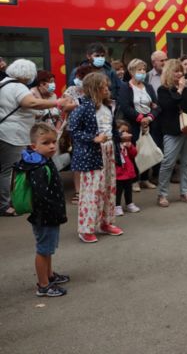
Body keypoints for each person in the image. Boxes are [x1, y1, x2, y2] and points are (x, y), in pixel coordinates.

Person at [0, 59, 75, 217]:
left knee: (5, 169)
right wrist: (56, 102)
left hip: (5, 132)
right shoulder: (18, 86)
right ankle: (6, 204)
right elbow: (31, 102)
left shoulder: (4, 83)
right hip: (12, 134)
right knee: (9, 170)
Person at [68, 72, 123, 243]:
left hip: (108, 151)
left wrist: (119, 139)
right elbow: (73, 130)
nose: (108, 89)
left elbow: (111, 129)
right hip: (91, 154)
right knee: (91, 192)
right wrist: (93, 138)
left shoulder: (109, 106)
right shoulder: (83, 107)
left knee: (108, 189)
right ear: (94, 88)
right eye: (104, 86)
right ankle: (86, 229)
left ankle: (106, 222)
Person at [16, 123, 69, 297]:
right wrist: (55, 211)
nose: (52, 146)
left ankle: (49, 275)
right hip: (45, 217)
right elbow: (41, 196)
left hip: (49, 216)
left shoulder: (44, 160)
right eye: (46, 143)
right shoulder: (38, 167)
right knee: (43, 250)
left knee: (48, 249)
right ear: (34, 146)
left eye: (54, 141)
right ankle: (43, 285)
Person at [156, 59, 187, 207]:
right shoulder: (163, 90)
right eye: (176, 71)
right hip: (172, 131)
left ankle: (185, 191)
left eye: (180, 71)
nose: (179, 74)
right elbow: (169, 105)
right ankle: (162, 195)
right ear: (169, 72)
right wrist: (180, 90)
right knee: (168, 163)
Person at [117, 58, 160, 192]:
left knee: (146, 152)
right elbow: (125, 106)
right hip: (133, 125)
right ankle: (134, 180)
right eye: (139, 69)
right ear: (131, 71)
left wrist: (150, 117)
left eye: (143, 69)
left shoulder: (148, 87)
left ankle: (145, 179)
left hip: (149, 123)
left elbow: (157, 106)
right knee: (134, 152)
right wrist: (140, 118)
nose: (142, 72)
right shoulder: (125, 87)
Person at [63, 65, 93, 204]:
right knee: (78, 160)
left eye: (81, 77)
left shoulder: (94, 90)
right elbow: (64, 106)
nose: (78, 80)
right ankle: (78, 191)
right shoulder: (72, 90)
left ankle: (91, 190)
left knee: (93, 159)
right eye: (78, 77)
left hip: (93, 129)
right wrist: (81, 103)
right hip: (75, 129)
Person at [114, 120, 140, 216]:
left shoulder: (128, 143)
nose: (125, 134)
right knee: (118, 190)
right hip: (118, 172)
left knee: (128, 189)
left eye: (127, 131)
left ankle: (129, 203)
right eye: (122, 131)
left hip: (128, 171)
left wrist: (130, 147)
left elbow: (134, 154)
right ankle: (117, 206)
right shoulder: (114, 144)